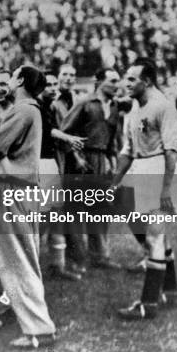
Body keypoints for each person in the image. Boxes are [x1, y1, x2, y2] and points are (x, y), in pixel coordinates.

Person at [0, 65, 57, 349]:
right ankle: (39, 326)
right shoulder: (31, 109)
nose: (9, 82)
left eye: (12, 76)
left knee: (16, 261)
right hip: (24, 187)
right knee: (25, 258)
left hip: (11, 186)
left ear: (21, 80)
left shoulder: (22, 109)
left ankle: (37, 330)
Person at [111, 58, 177, 320]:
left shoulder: (163, 107)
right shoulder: (134, 108)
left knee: (154, 236)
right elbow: (128, 150)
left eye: (132, 79)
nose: (125, 83)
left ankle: (148, 303)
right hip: (140, 170)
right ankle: (170, 287)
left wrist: (165, 190)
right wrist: (114, 182)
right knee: (130, 215)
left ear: (148, 81)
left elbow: (171, 151)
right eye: (125, 78)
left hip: (159, 171)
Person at [60, 68, 123, 271]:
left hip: (102, 162)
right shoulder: (85, 102)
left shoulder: (114, 106)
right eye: (113, 81)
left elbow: (113, 137)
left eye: (118, 81)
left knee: (100, 210)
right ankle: (76, 258)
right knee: (77, 212)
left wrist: (113, 161)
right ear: (99, 82)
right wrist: (76, 156)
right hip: (82, 162)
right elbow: (64, 132)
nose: (117, 85)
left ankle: (100, 256)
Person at [38, 72, 85, 281]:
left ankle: (58, 265)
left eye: (54, 84)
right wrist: (67, 137)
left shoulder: (47, 107)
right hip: (40, 165)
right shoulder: (35, 108)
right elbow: (49, 131)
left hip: (51, 165)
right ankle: (33, 267)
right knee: (42, 219)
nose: (52, 87)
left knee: (56, 216)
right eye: (48, 84)